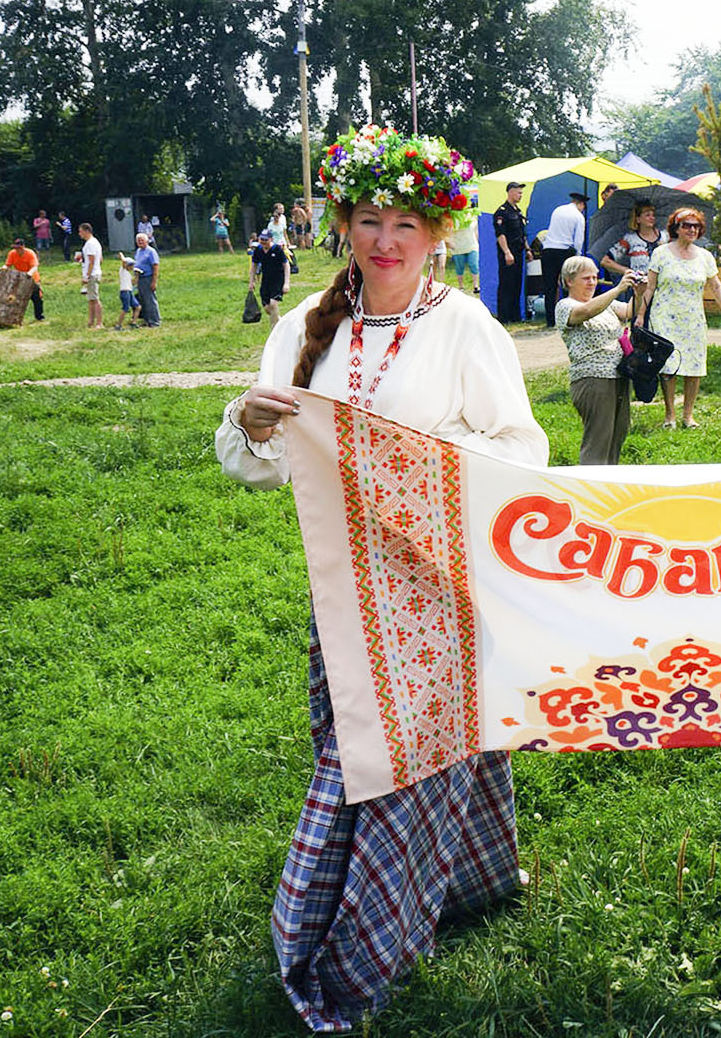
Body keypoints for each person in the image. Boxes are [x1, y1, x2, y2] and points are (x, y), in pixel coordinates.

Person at [216, 126, 543, 1033]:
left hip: (442, 589)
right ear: (344, 224)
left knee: (407, 757)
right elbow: (255, 465)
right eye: (368, 219)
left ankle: (358, 934)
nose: (386, 240)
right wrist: (248, 421)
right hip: (341, 595)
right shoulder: (301, 327)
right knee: (375, 750)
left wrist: (417, 463)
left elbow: (524, 448)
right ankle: (458, 887)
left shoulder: (466, 324)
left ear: (437, 230)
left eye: (405, 222)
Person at [643, 207, 721, 429]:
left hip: (693, 318)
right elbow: (650, 287)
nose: (691, 229)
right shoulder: (661, 253)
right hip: (664, 316)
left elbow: (715, 284)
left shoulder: (705, 256)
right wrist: (639, 315)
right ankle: (670, 415)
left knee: (694, 366)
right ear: (676, 228)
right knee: (669, 365)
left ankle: (688, 415)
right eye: (686, 225)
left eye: (695, 226)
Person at [557, 255, 643, 465]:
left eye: (595, 277)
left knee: (617, 435)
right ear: (569, 281)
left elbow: (629, 311)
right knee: (598, 440)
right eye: (586, 278)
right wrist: (619, 288)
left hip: (619, 376)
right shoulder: (565, 305)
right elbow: (586, 312)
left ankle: (608, 487)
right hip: (593, 379)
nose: (593, 282)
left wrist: (639, 292)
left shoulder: (606, 304)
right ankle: (588, 489)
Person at [542, 191, 589, 327]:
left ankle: (550, 320)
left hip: (548, 249)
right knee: (569, 285)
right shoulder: (578, 216)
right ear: (581, 204)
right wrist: (577, 257)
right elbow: (578, 240)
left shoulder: (558, 210)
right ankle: (569, 316)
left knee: (549, 286)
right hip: (565, 251)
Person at [601, 200, 663, 298]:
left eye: (653, 215)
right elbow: (605, 261)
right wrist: (627, 271)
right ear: (638, 219)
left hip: (661, 291)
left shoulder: (665, 237)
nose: (652, 218)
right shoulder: (630, 239)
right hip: (639, 291)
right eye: (647, 215)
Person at [493, 181, 530, 323]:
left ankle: (515, 316)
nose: (520, 195)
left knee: (516, 284)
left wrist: (527, 249)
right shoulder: (502, 212)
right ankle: (504, 316)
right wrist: (507, 252)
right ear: (510, 192)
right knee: (506, 284)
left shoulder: (518, 211)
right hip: (508, 252)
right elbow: (500, 234)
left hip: (519, 251)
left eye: (521, 193)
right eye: (518, 192)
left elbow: (522, 233)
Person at [250, 229, 291, 325]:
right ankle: (282, 322)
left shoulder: (277, 250)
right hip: (266, 281)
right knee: (268, 309)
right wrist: (251, 281)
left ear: (271, 239)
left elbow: (286, 265)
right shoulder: (258, 250)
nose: (263, 242)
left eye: (266, 239)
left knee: (273, 304)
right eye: (262, 239)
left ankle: (274, 329)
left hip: (278, 280)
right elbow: (253, 266)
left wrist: (286, 283)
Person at [122, 232, 161, 326]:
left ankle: (155, 321)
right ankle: (147, 320)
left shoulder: (151, 251)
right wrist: (135, 278)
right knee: (142, 300)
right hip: (140, 278)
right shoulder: (138, 251)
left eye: (142, 240)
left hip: (148, 277)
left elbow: (155, 266)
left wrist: (154, 281)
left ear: (147, 241)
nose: (140, 242)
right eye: (138, 241)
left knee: (150, 299)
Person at [4, 238, 44, 322]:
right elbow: (8, 265)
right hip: (19, 279)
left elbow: (35, 266)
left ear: (23, 247)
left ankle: (39, 317)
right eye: (16, 248)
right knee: (16, 299)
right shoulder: (12, 253)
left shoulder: (30, 253)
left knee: (37, 299)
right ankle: (15, 318)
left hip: (32, 278)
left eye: (19, 248)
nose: (17, 250)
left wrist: (29, 273)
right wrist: (3, 268)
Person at [76, 222, 104, 329]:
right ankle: (91, 321)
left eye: (81, 231)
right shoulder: (94, 242)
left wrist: (86, 276)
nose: (79, 234)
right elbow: (100, 259)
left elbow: (92, 261)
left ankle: (99, 323)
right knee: (91, 299)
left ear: (87, 231)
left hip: (92, 274)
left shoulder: (90, 244)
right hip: (94, 272)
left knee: (95, 299)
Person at [445, 214, 480, 294]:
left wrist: (477, 241)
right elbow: (447, 231)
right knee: (459, 267)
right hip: (458, 247)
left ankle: (476, 286)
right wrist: (449, 242)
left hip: (472, 246)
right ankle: (461, 286)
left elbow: (475, 230)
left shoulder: (472, 217)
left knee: (474, 265)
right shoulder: (453, 218)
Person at [115, 247, 137, 330]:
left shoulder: (128, 274)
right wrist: (123, 257)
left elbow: (133, 283)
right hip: (124, 292)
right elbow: (123, 260)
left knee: (137, 307)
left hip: (129, 291)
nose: (132, 267)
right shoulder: (123, 270)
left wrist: (137, 277)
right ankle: (119, 325)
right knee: (125, 309)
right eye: (131, 265)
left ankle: (133, 322)